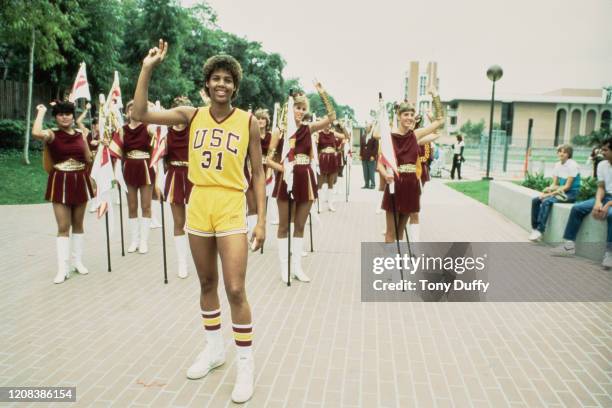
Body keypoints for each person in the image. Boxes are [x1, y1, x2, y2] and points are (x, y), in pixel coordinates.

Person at [132, 40, 265, 404]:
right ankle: (213, 350)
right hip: (198, 204)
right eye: (215, 79)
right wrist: (148, 68)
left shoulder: (248, 121)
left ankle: (245, 363)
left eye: (227, 79)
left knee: (235, 289)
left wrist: (262, 221)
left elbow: (257, 174)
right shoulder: (190, 115)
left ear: (235, 86)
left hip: (230, 207)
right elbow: (141, 113)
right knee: (207, 282)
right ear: (206, 85)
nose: (221, 84)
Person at [267, 89, 336, 283]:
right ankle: (284, 267)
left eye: (303, 108)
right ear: (291, 108)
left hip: (305, 177)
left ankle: (297, 267)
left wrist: (323, 93)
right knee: (283, 226)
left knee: (300, 225)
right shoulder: (280, 131)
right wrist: (283, 168)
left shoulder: (308, 128)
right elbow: (267, 160)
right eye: (297, 107)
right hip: (286, 178)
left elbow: (331, 118)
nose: (300, 111)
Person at [32, 101, 94, 284]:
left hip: (80, 180)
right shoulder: (52, 134)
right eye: (60, 114)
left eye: (68, 113)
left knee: (78, 224)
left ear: (73, 116)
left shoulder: (81, 134)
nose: (65, 117)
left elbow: (88, 158)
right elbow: (36, 133)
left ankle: (77, 261)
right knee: (63, 226)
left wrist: (99, 149)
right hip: (60, 181)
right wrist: (41, 112)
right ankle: (63, 268)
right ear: (56, 117)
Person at [378, 86, 444, 243]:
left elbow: (440, 121)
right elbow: (380, 163)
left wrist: (435, 97)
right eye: (406, 114)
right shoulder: (389, 138)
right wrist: (385, 174)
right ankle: (390, 265)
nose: (409, 117)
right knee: (390, 233)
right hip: (395, 183)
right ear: (399, 116)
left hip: (411, 185)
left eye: (411, 114)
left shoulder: (416, 135)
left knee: (401, 232)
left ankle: (398, 262)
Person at [551, 138, 612, 267]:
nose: (602, 152)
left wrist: (608, 205)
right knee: (577, 208)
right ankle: (569, 246)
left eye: (605, 149)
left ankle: (609, 254)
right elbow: (601, 187)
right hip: (605, 196)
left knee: (611, 215)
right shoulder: (602, 165)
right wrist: (598, 202)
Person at [117, 100, 158, 254]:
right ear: (127, 112)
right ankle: (134, 240)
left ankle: (144, 241)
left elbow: (159, 137)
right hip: (129, 168)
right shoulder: (122, 130)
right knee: (132, 206)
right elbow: (117, 150)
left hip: (145, 168)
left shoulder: (148, 128)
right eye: (131, 109)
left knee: (146, 206)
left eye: (137, 108)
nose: (133, 111)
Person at [164, 96, 194, 279]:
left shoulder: (195, 130)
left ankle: (200, 259)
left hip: (194, 176)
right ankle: (182, 262)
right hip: (175, 175)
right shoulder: (165, 133)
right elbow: (160, 159)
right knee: (178, 223)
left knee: (197, 222)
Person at [529, 144, 580, 241]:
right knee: (536, 200)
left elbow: (567, 187)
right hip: (560, 191)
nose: (561, 153)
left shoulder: (573, 165)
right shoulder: (557, 165)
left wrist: (548, 195)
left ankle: (540, 230)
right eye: (560, 151)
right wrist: (547, 189)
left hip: (570, 193)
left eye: (565, 152)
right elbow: (555, 184)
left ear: (569, 154)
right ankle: (535, 228)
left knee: (546, 201)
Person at [316, 122, 344, 211]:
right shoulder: (318, 134)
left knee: (331, 183)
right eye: (325, 124)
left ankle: (330, 204)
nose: (327, 126)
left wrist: (342, 127)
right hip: (322, 159)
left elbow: (345, 136)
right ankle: (319, 205)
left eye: (329, 124)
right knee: (319, 184)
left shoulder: (333, 133)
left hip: (332, 159)